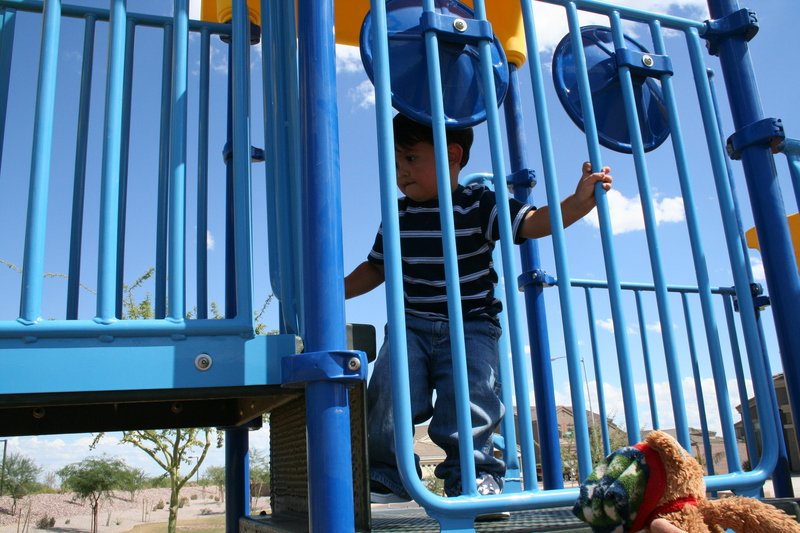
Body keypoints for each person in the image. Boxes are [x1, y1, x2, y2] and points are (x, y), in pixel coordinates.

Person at [344, 113, 612, 505]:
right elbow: (376, 268)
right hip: (411, 325)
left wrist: (577, 204)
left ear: (452, 156)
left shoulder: (480, 203)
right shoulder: (398, 215)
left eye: (411, 159)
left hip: (472, 325)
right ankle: (387, 473)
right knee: (388, 389)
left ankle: (472, 477)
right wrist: (334, 290)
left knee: (471, 400)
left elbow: (533, 223)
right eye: (397, 163)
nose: (402, 173)